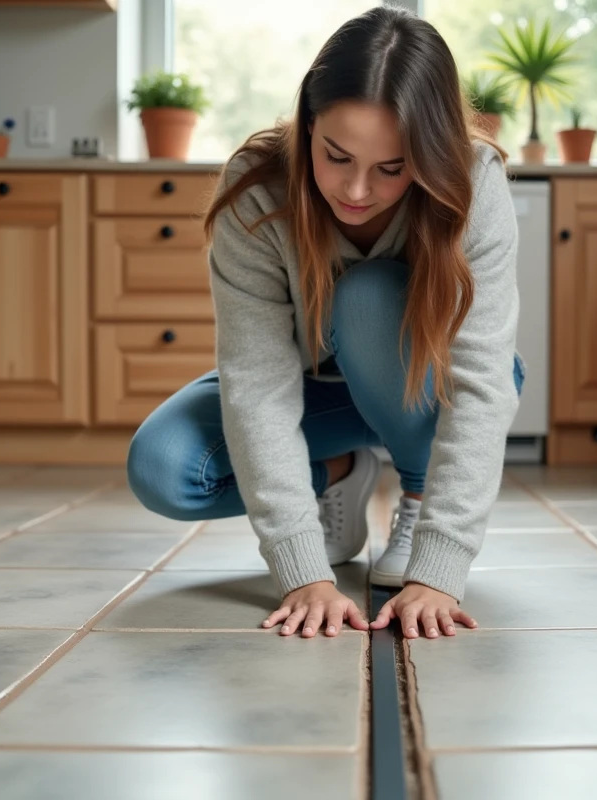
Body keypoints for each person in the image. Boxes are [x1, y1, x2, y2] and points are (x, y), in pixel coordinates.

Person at [127, 6, 523, 641]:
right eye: (336, 156)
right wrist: (302, 570)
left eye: (392, 168)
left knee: (365, 297)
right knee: (164, 468)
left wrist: (441, 567)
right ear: (308, 122)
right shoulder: (258, 190)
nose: (358, 190)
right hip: (322, 388)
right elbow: (256, 381)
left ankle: (416, 489)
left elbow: (480, 381)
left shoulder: (474, 182)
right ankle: (339, 471)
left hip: (431, 386)